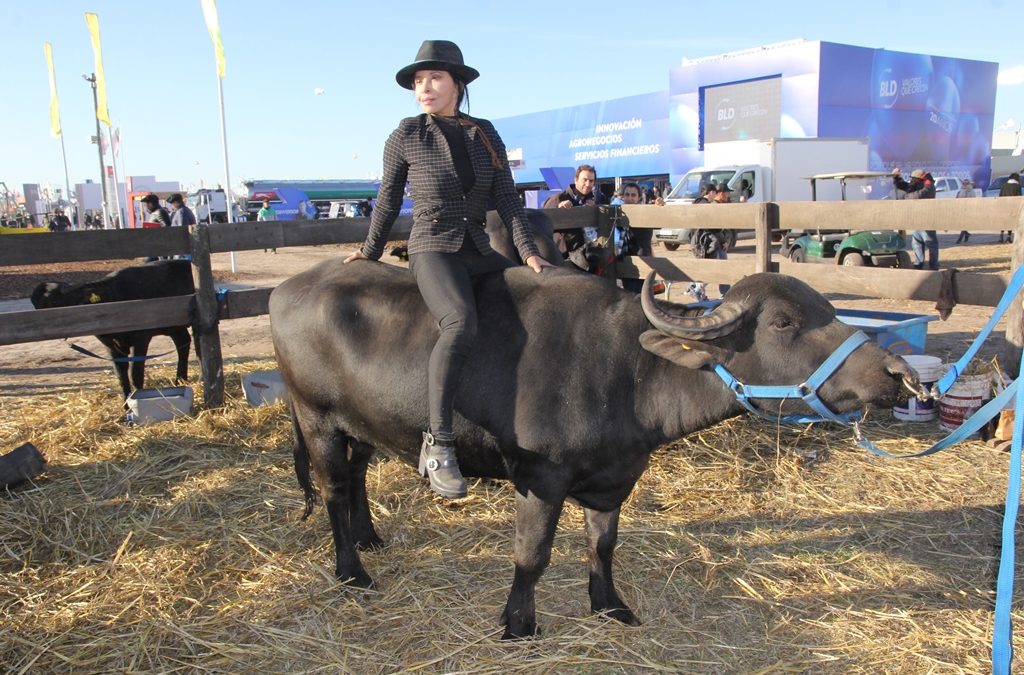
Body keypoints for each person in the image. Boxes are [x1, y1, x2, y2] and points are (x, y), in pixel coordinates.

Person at [342, 39, 553, 499]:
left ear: (457, 83)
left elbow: (507, 199)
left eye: (434, 78)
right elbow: (389, 197)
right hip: (432, 246)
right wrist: (370, 249)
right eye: (418, 81)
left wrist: (528, 252)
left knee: (533, 305)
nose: (424, 88)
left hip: (477, 245)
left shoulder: (485, 133)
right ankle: (439, 445)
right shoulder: (406, 134)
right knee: (459, 323)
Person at [542, 164, 607, 257]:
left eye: (591, 181)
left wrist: (596, 208)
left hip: (589, 257)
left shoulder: (598, 199)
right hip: (564, 258)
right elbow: (542, 224)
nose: (588, 184)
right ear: (576, 179)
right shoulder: (558, 198)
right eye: (584, 180)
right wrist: (557, 209)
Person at [892, 168, 938, 270]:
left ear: (920, 179)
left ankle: (933, 267)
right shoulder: (920, 184)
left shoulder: (929, 186)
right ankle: (919, 264)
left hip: (927, 220)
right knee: (916, 243)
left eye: (914, 179)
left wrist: (906, 196)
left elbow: (919, 194)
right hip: (918, 219)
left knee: (931, 244)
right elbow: (907, 186)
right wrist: (897, 178)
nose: (912, 181)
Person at [617, 182, 653, 293]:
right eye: (627, 195)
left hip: (642, 260)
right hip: (625, 260)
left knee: (642, 296)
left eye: (633, 195)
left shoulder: (646, 213)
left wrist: (659, 206)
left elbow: (659, 223)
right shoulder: (619, 212)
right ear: (623, 197)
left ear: (638, 198)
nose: (630, 198)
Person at [999, 172, 1021, 243]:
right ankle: (1008, 237)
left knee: (1002, 221)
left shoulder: (1004, 185)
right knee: (1011, 222)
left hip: (1003, 206)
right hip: (1012, 207)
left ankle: (1001, 235)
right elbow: (1019, 197)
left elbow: (1000, 195)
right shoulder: (1018, 186)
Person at [954, 179, 976, 244]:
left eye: (966, 183)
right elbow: (957, 199)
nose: (964, 184)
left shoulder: (971, 191)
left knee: (963, 224)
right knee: (961, 224)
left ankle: (960, 239)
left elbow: (973, 201)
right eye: (964, 183)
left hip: (968, 210)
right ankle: (966, 234)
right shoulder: (960, 191)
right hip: (961, 209)